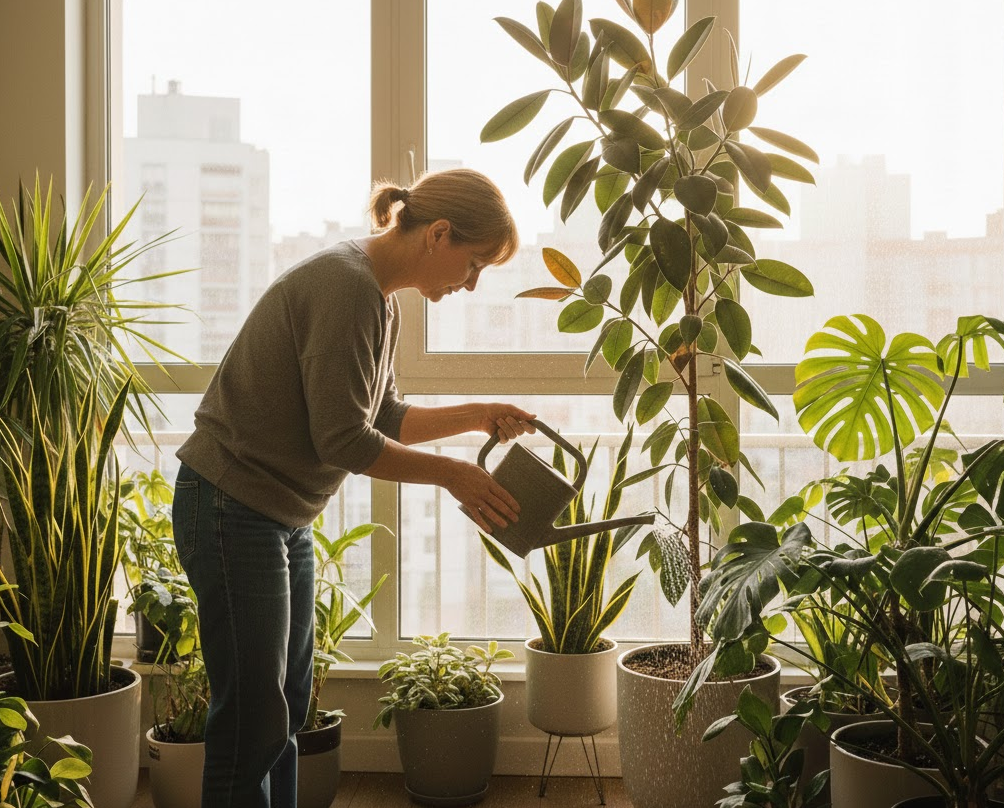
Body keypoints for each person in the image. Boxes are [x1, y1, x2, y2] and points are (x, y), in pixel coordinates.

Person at [171, 168, 536, 808]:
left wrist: (476, 415)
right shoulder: (347, 287)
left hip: (279, 516)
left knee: (285, 709)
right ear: (439, 234)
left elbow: (382, 415)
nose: (472, 283)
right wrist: (455, 475)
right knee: (252, 722)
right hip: (232, 505)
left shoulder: (379, 298)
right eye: (474, 263)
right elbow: (343, 441)